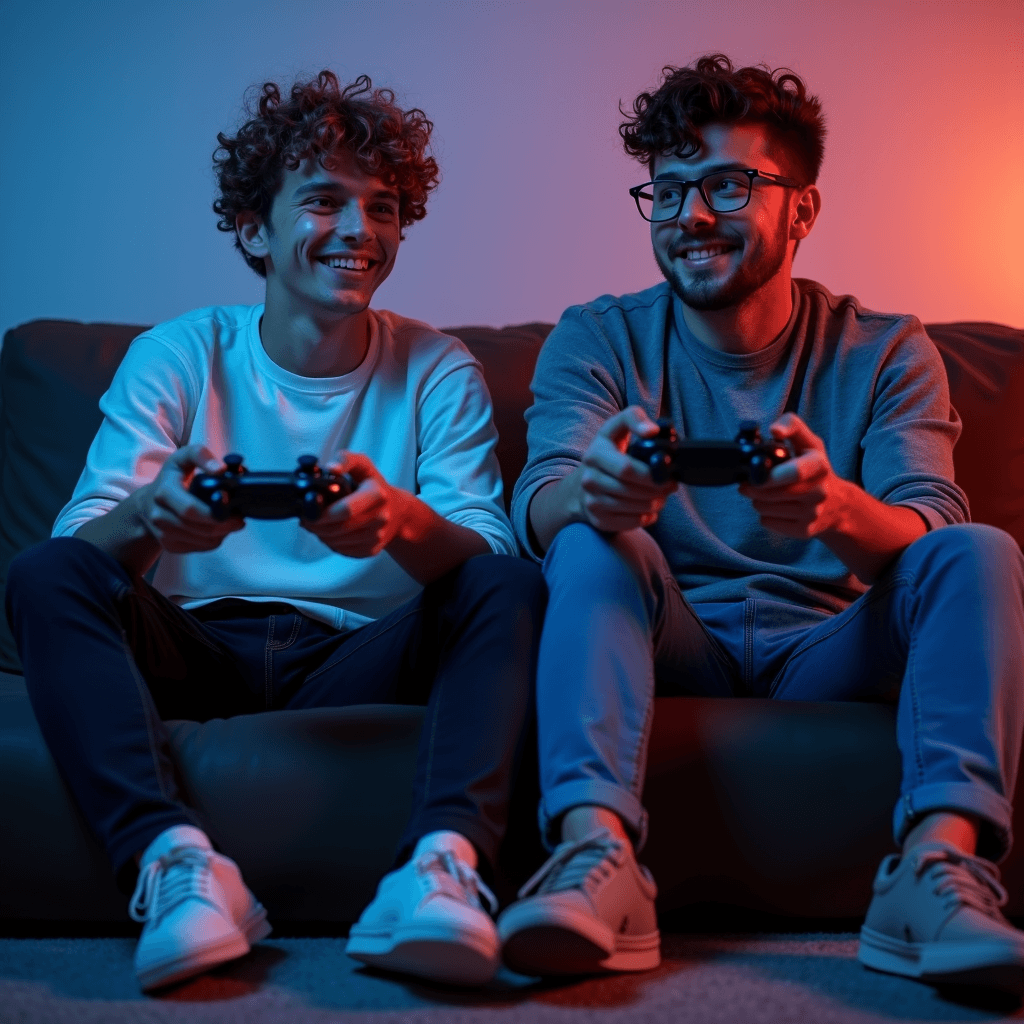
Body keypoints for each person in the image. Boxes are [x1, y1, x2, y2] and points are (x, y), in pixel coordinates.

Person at [5, 72, 545, 992]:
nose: (360, 232)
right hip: (193, 641)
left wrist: (398, 523)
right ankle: (174, 866)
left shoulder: (436, 365)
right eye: (324, 201)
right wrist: (153, 518)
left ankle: (441, 870)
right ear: (255, 230)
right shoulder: (180, 351)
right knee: (45, 574)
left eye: (383, 208)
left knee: (513, 584)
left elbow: (489, 551)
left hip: (362, 649)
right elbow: (86, 542)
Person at [495, 54, 1024, 993]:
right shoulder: (599, 334)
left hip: (831, 638)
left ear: (802, 209)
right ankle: (596, 862)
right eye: (669, 191)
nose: (693, 214)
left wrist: (835, 510)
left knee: (979, 552)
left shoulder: (888, 348)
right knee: (584, 539)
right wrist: (594, 495)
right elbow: (539, 498)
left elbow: (929, 523)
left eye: (728, 184)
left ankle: (936, 872)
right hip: (669, 630)